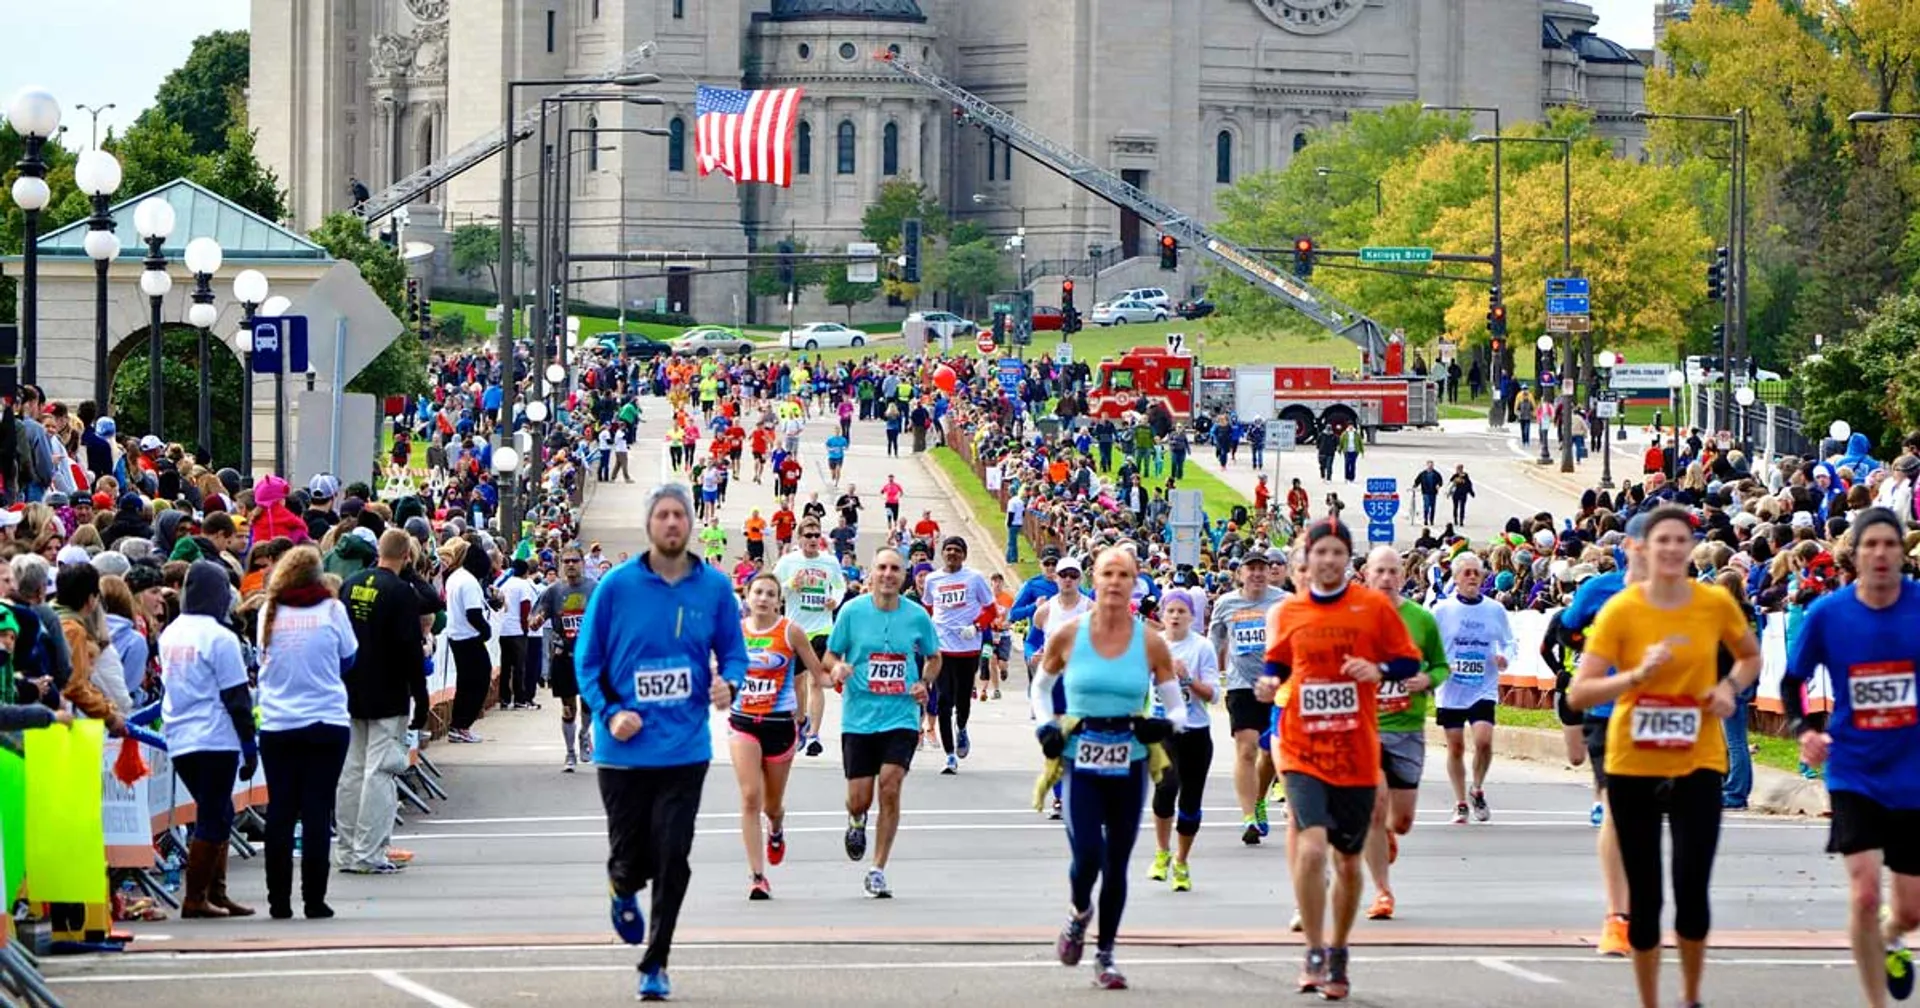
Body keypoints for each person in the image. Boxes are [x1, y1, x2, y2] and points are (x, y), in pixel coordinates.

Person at [1569, 503, 1762, 1008]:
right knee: (1648, 897)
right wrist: (1634, 678)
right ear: (1644, 549)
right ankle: (1650, 1000)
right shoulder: (1621, 610)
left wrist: (1729, 688)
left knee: (1692, 891)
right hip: (1633, 763)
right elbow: (1579, 693)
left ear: (1691, 546)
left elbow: (1749, 655)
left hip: (1698, 762)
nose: (1673, 549)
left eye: (1681, 540)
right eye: (1663, 541)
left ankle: (1691, 996)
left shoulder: (1714, 603)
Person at [577, 484, 748, 1002]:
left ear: (691, 524)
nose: (672, 523)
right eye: (663, 515)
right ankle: (621, 885)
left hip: (685, 748)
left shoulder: (715, 588)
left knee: (674, 855)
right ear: (648, 525)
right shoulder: (615, 587)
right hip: (624, 751)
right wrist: (610, 714)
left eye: (679, 515)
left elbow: (735, 654)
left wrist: (729, 684)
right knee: (632, 857)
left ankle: (656, 961)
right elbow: (587, 662)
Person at [1255, 520, 1421, 1000]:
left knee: (1348, 865)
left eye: (1336, 553)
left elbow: (1407, 661)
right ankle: (1312, 948)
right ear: (1307, 558)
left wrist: (1378, 669)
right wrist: (1269, 683)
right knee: (1309, 848)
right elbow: (1278, 663)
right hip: (1305, 748)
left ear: (1348, 559)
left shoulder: (1371, 608)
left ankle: (1339, 949)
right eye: (1319, 552)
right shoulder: (1291, 612)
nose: (1327, 561)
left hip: (1355, 752)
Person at [1785, 508, 1920, 1007]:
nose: (1881, 554)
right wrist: (1804, 730)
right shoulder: (1829, 613)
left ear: (1902, 553)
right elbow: (1792, 680)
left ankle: (1892, 936)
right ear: (1855, 554)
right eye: (1872, 545)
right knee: (1864, 892)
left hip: (1913, 770)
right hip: (1854, 769)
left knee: (1910, 910)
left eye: (1890, 545)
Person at [1032, 546, 1184, 990]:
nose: (1115, 582)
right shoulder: (1069, 634)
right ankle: (1080, 913)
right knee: (1087, 858)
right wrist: (1046, 727)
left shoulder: (1151, 641)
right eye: (1107, 574)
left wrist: (1160, 726)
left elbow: (1177, 709)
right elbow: (1041, 690)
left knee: (1116, 861)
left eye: (1124, 575)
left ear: (1135, 583)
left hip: (1130, 757)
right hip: (1082, 756)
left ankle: (1107, 956)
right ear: (1094, 581)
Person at [825, 547, 940, 899]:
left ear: (903, 575)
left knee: (890, 786)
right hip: (859, 717)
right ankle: (857, 820)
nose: (888, 574)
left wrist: (924, 682)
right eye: (882, 568)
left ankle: (877, 869)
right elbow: (831, 653)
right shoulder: (852, 612)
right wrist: (837, 667)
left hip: (901, 714)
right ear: (871, 573)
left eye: (895, 569)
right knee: (859, 798)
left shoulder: (917, 616)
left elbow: (934, 657)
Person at [255, 545, 357, 919]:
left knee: (280, 810)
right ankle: (315, 898)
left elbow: (261, 656)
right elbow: (349, 657)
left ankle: (278, 900)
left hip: (279, 722)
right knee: (317, 809)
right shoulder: (331, 610)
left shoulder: (270, 610)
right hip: (325, 719)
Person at [161, 560, 258, 919]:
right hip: (215, 735)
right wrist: (249, 746)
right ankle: (197, 896)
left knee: (218, 810)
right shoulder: (220, 638)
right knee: (214, 815)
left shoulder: (171, 633)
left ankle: (216, 894)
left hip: (180, 735)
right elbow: (236, 697)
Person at [1359, 545, 1449, 922]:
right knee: (1374, 809)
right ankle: (1382, 892)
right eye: (1379, 571)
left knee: (1401, 820)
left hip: (1407, 728)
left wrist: (1427, 679)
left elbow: (1443, 666)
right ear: (1366, 573)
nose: (1386, 578)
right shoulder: (1353, 617)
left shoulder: (1421, 620)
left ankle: (1390, 836)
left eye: (1393, 571)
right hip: (1365, 727)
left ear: (1404, 575)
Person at [337, 529, 427, 875]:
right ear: (407, 556)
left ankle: (347, 850)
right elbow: (409, 648)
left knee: (352, 771)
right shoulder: (401, 592)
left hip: (351, 687)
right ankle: (369, 851)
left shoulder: (350, 584)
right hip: (388, 691)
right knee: (380, 772)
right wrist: (419, 694)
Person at [731, 573, 826, 900]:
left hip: (779, 725)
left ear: (778, 600)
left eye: (770, 594)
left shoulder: (791, 632)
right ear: (746, 595)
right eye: (757, 592)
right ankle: (758, 877)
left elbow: (819, 676)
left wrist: (840, 673)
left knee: (771, 805)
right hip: (743, 721)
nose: (763, 598)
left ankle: (776, 827)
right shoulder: (735, 631)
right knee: (749, 798)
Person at [1207, 547, 1288, 844]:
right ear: (1239, 573)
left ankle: (1259, 800)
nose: (1256, 573)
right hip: (1242, 685)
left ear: (1269, 572)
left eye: (1261, 568)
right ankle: (1248, 818)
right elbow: (1213, 641)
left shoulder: (1284, 601)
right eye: (1250, 568)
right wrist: (1206, 673)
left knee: (1270, 752)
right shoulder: (1226, 604)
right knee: (1246, 748)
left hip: (1277, 684)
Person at [1432, 552, 1514, 824]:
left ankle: (1477, 787)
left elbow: (1509, 642)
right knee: (1455, 747)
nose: (1471, 577)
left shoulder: (1494, 609)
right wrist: (1441, 666)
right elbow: (1430, 646)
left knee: (1483, 741)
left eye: (1476, 573)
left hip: (1483, 685)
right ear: (1455, 579)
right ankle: (1460, 802)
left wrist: (1505, 658)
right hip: (1452, 688)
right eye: (1466, 573)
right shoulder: (1442, 610)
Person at [1147, 587, 1218, 893]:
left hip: (1195, 731)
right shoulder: (1153, 646)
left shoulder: (1202, 647)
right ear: (1162, 615)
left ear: (1192, 616)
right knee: (1166, 787)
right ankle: (1161, 852)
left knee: (1190, 802)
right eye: (1171, 611)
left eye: (1182, 612)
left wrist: (1187, 678)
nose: (1175, 616)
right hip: (1162, 729)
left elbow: (1214, 694)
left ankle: (1182, 860)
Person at [923, 536, 996, 775]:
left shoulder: (974, 578)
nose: (952, 554)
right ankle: (950, 755)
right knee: (944, 701)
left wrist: (975, 627)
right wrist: (929, 632)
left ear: (964, 555)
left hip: (968, 648)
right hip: (942, 650)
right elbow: (928, 608)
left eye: (957, 550)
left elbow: (991, 610)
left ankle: (962, 727)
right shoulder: (933, 580)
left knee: (962, 699)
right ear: (942, 554)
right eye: (948, 550)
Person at [774, 520, 844, 758]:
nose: (813, 539)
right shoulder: (788, 562)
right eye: (808, 535)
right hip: (796, 630)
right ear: (799, 538)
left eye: (817, 535)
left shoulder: (829, 561)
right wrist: (790, 585)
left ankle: (814, 735)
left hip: (822, 628)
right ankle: (801, 720)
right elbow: (773, 590)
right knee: (797, 683)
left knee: (817, 681)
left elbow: (839, 586)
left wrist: (835, 599)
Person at [531, 545, 600, 770]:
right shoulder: (553, 591)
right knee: (568, 707)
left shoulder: (595, 589)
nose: (570, 565)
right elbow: (537, 613)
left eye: (575, 561)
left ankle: (584, 735)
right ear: (561, 565)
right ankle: (570, 753)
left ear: (582, 563)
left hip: (589, 658)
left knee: (588, 704)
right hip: (564, 656)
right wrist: (536, 620)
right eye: (566, 561)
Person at [442, 537, 494, 744]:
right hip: (469, 637)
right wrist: (486, 631)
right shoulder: (470, 582)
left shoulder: (455, 577)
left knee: (465, 683)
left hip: (456, 635)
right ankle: (462, 725)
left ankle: (458, 724)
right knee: (478, 681)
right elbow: (473, 613)